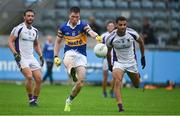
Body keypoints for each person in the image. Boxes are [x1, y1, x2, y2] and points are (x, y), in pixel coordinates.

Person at [54, 6, 102, 112]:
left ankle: (69, 100)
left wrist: (96, 36)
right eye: (73, 17)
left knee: (80, 83)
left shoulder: (83, 25)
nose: (75, 19)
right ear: (69, 16)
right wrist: (56, 56)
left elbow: (90, 31)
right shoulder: (63, 28)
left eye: (77, 17)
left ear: (79, 16)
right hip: (69, 52)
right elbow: (57, 42)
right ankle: (71, 71)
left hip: (81, 55)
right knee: (68, 61)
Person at [106, 16, 146, 112]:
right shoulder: (111, 38)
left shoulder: (131, 33)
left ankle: (137, 76)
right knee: (117, 81)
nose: (123, 27)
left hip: (131, 62)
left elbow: (141, 42)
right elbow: (108, 52)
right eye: (120, 25)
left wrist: (143, 57)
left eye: (124, 24)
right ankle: (120, 106)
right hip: (118, 63)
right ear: (116, 25)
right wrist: (109, 64)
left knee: (136, 85)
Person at [8, 9, 44, 107]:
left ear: (34, 17)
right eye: (28, 16)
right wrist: (15, 53)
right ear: (24, 17)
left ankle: (34, 101)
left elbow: (36, 45)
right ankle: (30, 99)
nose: (30, 17)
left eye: (32, 16)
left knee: (39, 79)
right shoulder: (18, 28)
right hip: (21, 57)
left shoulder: (35, 31)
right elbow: (10, 41)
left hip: (31, 57)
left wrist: (40, 55)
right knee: (29, 76)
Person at [101, 21, 116, 98]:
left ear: (114, 27)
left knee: (115, 77)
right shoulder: (103, 36)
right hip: (106, 59)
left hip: (115, 59)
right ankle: (104, 92)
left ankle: (112, 91)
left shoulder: (117, 35)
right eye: (109, 26)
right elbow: (99, 47)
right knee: (105, 77)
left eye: (112, 26)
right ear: (107, 27)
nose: (110, 27)